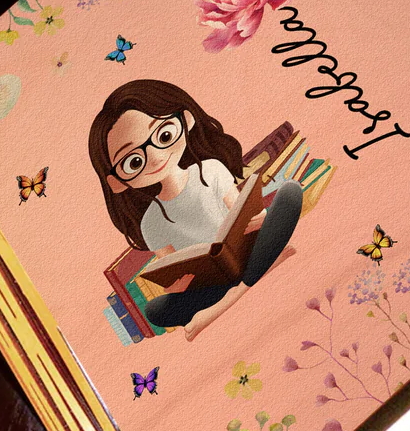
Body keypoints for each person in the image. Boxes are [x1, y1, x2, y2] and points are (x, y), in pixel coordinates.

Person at [88, 79, 301, 341]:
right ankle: (263, 267)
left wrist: (259, 220)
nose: (155, 157)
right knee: (155, 311)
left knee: (290, 194)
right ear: (117, 182)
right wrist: (176, 286)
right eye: (134, 162)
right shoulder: (150, 222)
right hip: (212, 283)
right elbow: (171, 268)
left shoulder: (210, 170)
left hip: (246, 252)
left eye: (163, 136)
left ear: (186, 119)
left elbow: (244, 212)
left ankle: (226, 301)